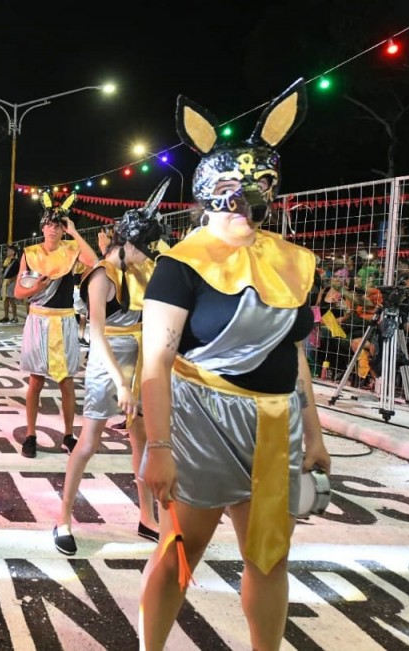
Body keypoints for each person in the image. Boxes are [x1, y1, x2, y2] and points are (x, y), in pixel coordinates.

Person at [139, 80, 331, 650]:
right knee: (181, 551)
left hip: (276, 424)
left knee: (270, 557)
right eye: (232, 187)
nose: (249, 199)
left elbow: (291, 352)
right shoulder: (180, 264)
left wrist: (314, 432)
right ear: (207, 192)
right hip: (201, 417)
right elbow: (156, 362)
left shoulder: (295, 263)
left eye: (261, 185)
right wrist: (159, 445)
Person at [53, 179, 170, 556]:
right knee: (88, 442)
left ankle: (146, 517)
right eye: (146, 248)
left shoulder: (145, 269)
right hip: (110, 362)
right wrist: (121, 383)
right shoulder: (102, 275)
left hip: (140, 356)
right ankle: (63, 518)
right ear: (131, 244)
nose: (149, 254)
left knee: (142, 441)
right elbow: (98, 335)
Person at [14, 193, 98, 458]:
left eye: (58, 224)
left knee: (67, 382)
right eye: (49, 224)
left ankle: (68, 435)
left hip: (63, 321)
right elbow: (18, 292)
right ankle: (30, 435)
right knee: (35, 382)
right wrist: (36, 287)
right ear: (42, 227)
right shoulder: (30, 254)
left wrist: (74, 230)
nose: (53, 228)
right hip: (38, 320)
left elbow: (94, 261)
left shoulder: (71, 251)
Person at [0, 244, 21, 323]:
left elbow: (19, 273)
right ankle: (6, 316)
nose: (7, 252)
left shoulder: (16, 261)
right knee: (5, 300)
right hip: (5, 281)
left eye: (9, 250)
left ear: (13, 252)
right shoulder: (7, 260)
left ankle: (15, 317)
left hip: (12, 282)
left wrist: (11, 280)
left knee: (11, 300)